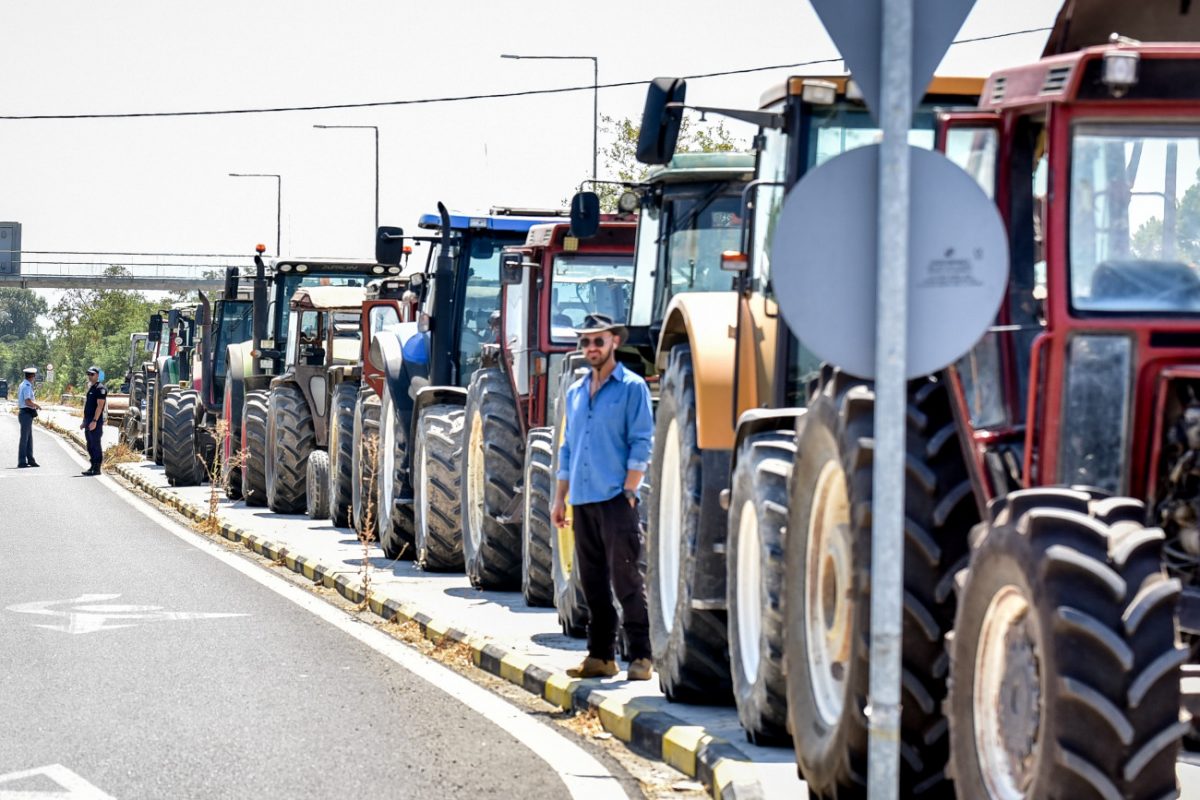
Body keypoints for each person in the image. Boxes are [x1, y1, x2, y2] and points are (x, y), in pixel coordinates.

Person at [551, 313, 655, 681]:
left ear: (614, 341)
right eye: (586, 342)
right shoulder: (577, 391)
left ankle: (641, 656)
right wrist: (560, 498)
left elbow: (642, 441)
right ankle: (601, 657)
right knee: (592, 581)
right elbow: (567, 449)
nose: (591, 348)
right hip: (581, 499)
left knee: (625, 578)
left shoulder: (632, 387)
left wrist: (630, 489)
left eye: (599, 341)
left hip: (615, 498)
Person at [80, 366, 107, 476]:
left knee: (95, 444)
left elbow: (99, 407)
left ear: (97, 375)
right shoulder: (91, 388)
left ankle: (97, 468)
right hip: (88, 421)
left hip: (95, 421)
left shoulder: (100, 388)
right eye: (89, 374)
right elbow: (88, 406)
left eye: (92, 374)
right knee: (89, 445)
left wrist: (95, 421)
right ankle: (92, 465)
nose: (90, 376)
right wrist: (84, 421)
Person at [16, 367, 41, 468]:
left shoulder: (24, 384)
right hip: (25, 413)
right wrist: (37, 405)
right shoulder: (26, 386)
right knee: (24, 438)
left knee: (29, 438)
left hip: (26, 414)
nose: (34, 378)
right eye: (34, 376)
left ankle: (30, 459)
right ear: (32, 376)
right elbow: (27, 401)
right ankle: (22, 461)